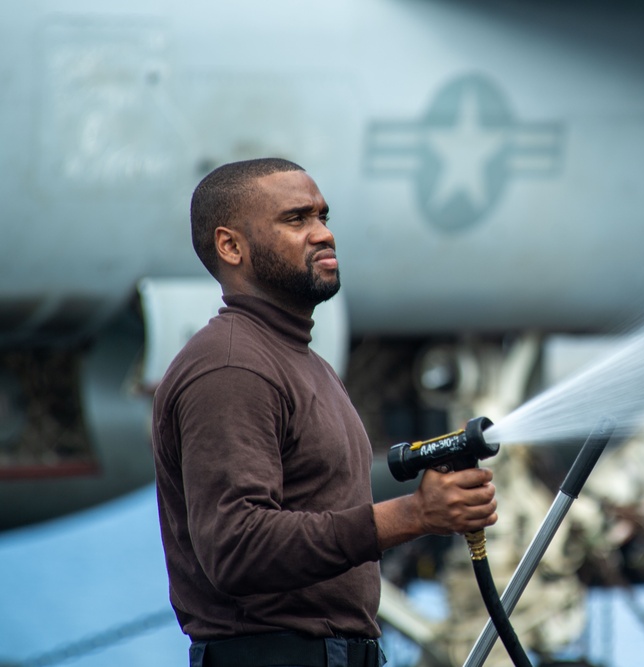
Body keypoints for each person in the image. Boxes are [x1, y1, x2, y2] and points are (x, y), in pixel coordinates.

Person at [152, 157, 498, 667]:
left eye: (323, 217)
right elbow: (238, 547)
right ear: (230, 246)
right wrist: (414, 515)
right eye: (296, 220)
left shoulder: (305, 363)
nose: (323, 235)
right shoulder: (231, 365)